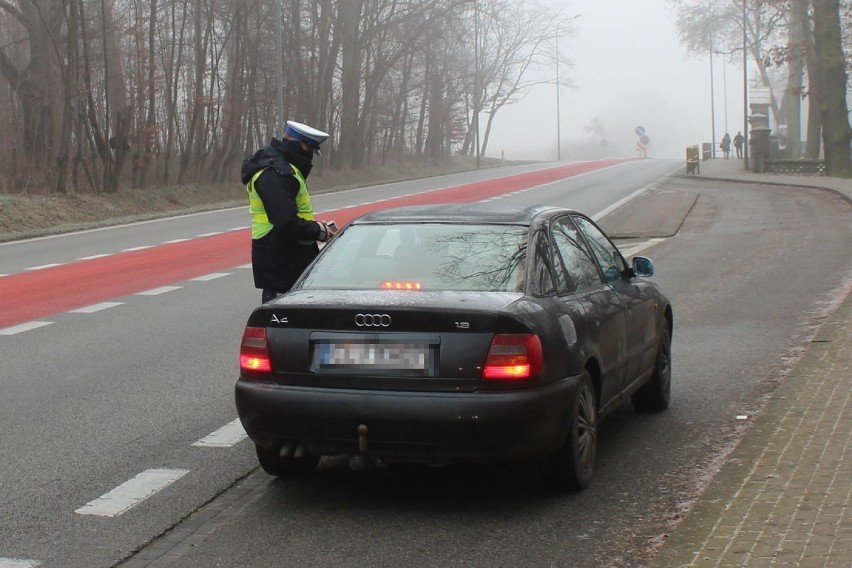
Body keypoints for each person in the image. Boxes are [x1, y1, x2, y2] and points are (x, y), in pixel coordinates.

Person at [241, 120, 338, 303]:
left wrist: (316, 228)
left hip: (287, 258)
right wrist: (318, 230)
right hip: (280, 261)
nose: (310, 156)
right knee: (281, 323)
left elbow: (292, 215)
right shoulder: (276, 173)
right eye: (310, 150)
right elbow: (285, 221)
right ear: (299, 145)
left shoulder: (284, 169)